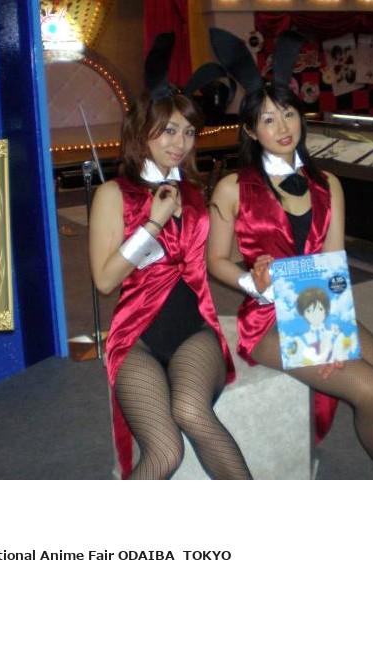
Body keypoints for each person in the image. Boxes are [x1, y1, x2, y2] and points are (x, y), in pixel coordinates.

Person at [207, 81, 373, 479]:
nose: (283, 126)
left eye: (289, 113)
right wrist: (253, 284)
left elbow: (334, 265)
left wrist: (330, 335)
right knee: (371, 389)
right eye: (268, 119)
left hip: (321, 306)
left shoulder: (328, 183)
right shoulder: (232, 188)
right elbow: (215, 260)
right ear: (250, 131)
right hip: (268, 321)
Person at [88, 91, 245, 479]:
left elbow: (210, 258)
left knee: (191, 410)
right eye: (170, 130)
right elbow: (105, 280)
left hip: (194, 330)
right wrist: (153, 222)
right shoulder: (113, 194)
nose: (181, 143)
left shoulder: (193, 191)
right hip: (136, 338)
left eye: (189, 132)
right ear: (142, 131)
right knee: (165, 452)